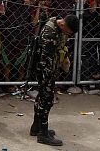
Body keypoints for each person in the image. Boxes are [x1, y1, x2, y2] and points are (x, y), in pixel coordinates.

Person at [31, 14, 78, 147]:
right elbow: (46, 60)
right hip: (45, 70)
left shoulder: (57, 25)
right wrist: (48, 80)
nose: (67, 35)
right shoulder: (50, 33)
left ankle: (36, 127)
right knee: (46, 99)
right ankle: (43, 134)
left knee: (42, 97)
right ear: (63, 25)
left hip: (49, 68)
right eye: (67, 32)